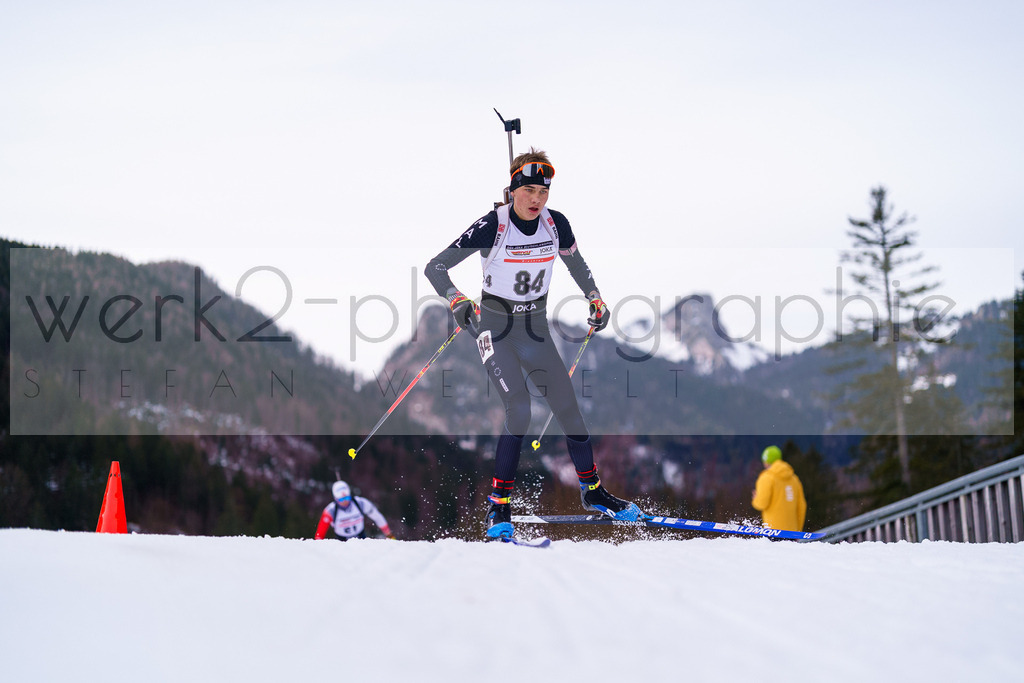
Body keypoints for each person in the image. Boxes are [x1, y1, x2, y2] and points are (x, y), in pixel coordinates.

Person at [424, 147, 641, 540]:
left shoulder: (556, 225)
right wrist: (456, 299)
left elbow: (576, 263)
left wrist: (595, 297)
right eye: (529, 192)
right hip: (495, 329)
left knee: (568, 409)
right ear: (513, 190)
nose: (537, 200)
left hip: (534, 329)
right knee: (519, 408)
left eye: (543, 192)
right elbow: (435, 267)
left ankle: (593, 492)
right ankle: (498, 506)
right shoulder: (494, 224)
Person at [314, 480, 395, 540]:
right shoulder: (330, 510)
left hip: (360, 537)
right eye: (341, 500)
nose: (345, 501)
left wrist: (388, 534)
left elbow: (377, 517)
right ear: (335, 499)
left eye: (347, 498)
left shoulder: (360, 503)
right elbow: (320, 532)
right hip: (341, 541)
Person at [751, 445, 807, 532]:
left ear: (766, 461)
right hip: (792, 531)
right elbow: (801, 506)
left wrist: (755, 499)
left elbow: (762, 503)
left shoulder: (766, 477)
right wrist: (797, 531)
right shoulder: (794, 479)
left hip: (773, 531)